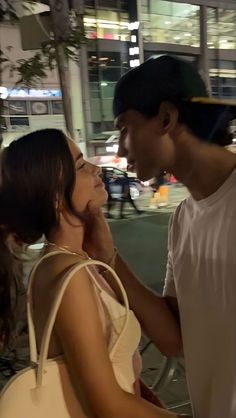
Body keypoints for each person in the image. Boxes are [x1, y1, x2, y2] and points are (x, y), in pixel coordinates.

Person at [0, 128, 186, 418]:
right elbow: (108, 405)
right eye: (81, 165)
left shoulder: (74, 262)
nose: (96, 168)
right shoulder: (68, 274)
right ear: (55, 197)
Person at [111, 54, 236, 418]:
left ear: (166, 118)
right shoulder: (182, 218)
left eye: (124, 128)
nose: (120, 150)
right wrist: (109, 259)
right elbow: (175, 338)